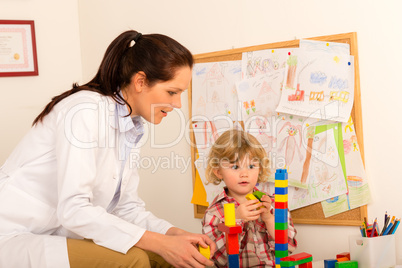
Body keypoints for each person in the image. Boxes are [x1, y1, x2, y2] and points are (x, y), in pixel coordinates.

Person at [0, 30, 216, 268]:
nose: (177, 104)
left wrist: (172, 234)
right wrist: (160, 243)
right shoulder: (84, 112)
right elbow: (74, 209)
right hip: (17, 234)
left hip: (57, 232)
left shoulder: (131, 125)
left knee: (172, 259)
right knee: (136, 259)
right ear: (140, 81)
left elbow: (125, 207)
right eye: (172, 92)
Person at [201, 129, 297, 267]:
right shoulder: (213, 213)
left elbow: (290, 247)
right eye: (235, 167)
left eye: (251, 166)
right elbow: (219, 259)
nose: (244, 173)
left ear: (260, 169)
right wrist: (236, 220)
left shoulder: (275, 204)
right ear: (218, 172)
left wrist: (269, 219)